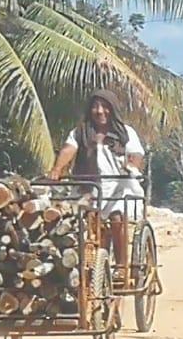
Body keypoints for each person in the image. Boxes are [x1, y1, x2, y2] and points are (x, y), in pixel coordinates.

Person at [47, 89, 145, 264]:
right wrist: (57, 169)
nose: (99, 111)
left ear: (112, 109)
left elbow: (136, 154)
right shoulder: (81, 132)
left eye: (104, 107)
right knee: (92, 227)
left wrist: (130, 166)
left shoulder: (125, 132)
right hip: (90, 188)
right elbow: (69, 149)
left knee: (117, 221)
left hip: (118, 189)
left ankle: (122, 266)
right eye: (95, 106)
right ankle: (97, 268)